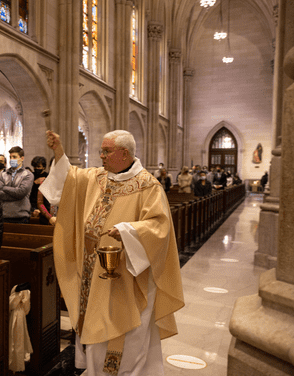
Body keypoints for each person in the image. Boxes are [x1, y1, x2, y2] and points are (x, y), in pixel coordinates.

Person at [39, 130, 184, 375]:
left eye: (106, 151)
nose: (101, 156)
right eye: (101, 150)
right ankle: (96, 370)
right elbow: (70, 178)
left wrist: (128, 231)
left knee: (124, 330)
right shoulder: (98, 176)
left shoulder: (148, 185)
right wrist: (59, 152)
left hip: (127, 274)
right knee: (94, 319)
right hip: (93, 271)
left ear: (124, 153)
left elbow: (159, 227)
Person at [0, 146, 34, 223]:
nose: (11, 159)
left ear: (22, 158)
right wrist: (16, 195)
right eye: (10, 157)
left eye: (14, 157)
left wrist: (4, 188)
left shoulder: (28, 174)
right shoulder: (3, 174)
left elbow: (21, 192)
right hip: (4, 215)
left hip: (21, 216)